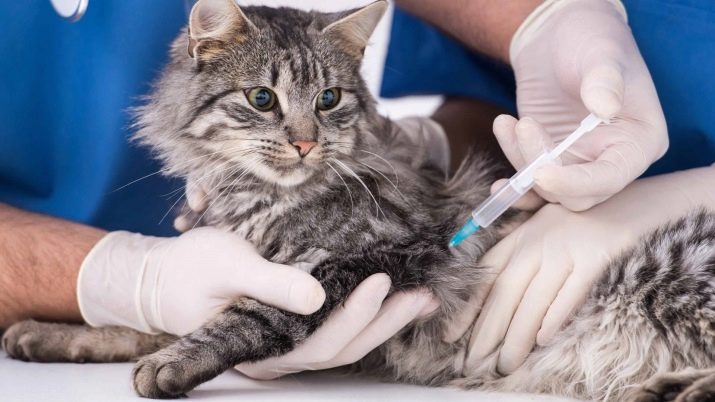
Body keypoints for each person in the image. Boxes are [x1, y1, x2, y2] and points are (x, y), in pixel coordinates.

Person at [1, 0, 713, 381]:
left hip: (622, 284)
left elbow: (343, 277)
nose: (302, 137)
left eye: (327, 105)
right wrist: (128, 292)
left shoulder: (356, 193)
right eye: (264, 101)